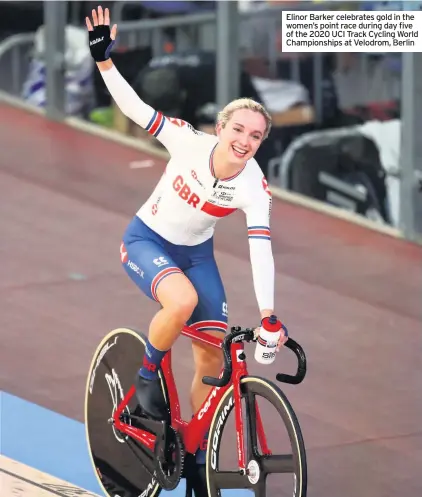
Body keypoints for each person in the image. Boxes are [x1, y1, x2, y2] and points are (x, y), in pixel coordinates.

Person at [86, 6, 287, 470]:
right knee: (179, 302)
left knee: (213, 361)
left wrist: (270, 315)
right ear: (220, 129)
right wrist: (105, 63)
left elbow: (262, 250)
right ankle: (145, 379)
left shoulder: (254, 186)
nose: (245, 140)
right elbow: (137, 110)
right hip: (146, 242)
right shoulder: (187, 141)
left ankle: (192, 451)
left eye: (255, 136)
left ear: (260, 144)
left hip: (197, 254)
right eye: (238, 129)